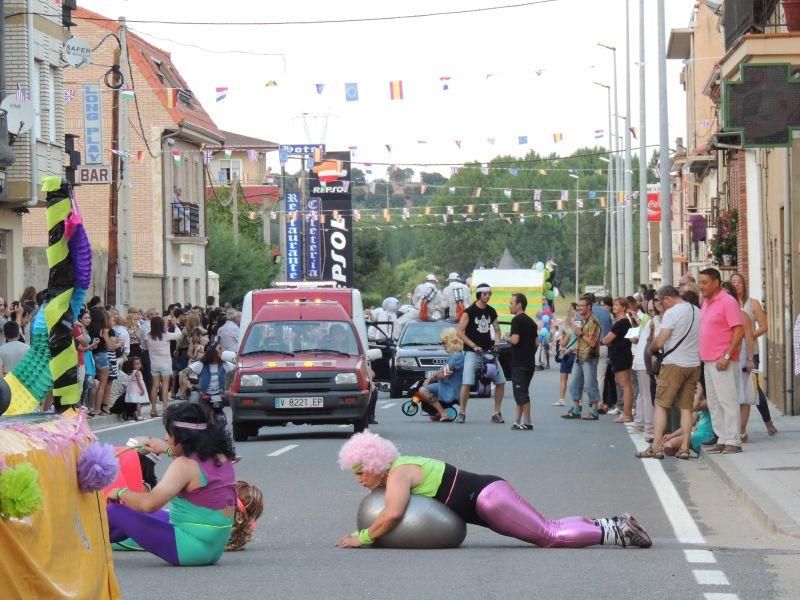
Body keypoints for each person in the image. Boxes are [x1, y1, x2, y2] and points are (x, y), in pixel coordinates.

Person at [335, 431, 651, 549]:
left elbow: (392, 515)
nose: (360, 480)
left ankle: (619, 533)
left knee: (549, 537)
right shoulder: (403, 464)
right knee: (549, 527)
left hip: (488, 500)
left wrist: (361, 538)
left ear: (376, 464)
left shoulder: (399, 474)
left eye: (362, 472)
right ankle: (610, 524)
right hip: (488, 494)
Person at [106, 403, 252, 566]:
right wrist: (165, 449)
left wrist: (120, 492)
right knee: (136, 517)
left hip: (189, 549)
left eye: (170, 433)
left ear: (183, 437)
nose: (166, 438)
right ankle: (100, 543)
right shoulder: (221, 457)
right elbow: (194, 466)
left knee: (114, 512)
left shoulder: (184, 465)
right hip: (213, 548)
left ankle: (91, 548)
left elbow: (148, 504)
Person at [636, 286, 701, 460]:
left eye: (661, 301)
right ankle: (685, 447)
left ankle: (656, 447)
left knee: (661, 405)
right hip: (693, 364)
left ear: (667, 298)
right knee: (686, 407)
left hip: (673, 364)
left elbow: (661, 341)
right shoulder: (696, 310)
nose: (661, 306)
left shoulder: (672, 313)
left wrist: (652, 348)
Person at [698, 269, 744, 454]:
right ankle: (722, 437)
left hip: (722, 360)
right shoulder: (707, 302)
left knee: (727, 401)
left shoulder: (727, 301)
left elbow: (739, 331)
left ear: (716, 282)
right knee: (714, 403)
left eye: (705, 282)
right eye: (700, 282)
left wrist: (726, 356)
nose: (701, 286)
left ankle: (734, 440)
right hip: (708, 360)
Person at [729, 272, 777, 436]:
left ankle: (768, 421)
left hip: (750, 351)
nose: (736, 285)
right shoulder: (727, 304)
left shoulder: (752, 304)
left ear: (744, 285)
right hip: (733, 352)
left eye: (739, 282)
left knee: (753, 388)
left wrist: (748, 336)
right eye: (733, 282)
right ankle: (738, 428)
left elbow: (764, 326)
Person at [455, 283, 506, 424]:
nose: (487, 296)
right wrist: (473, 345)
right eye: (484, 293)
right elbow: (459, 332)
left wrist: (496, 344)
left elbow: (497, 330)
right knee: (467, 382)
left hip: (488, 352)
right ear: (479, 294)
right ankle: (462, 412)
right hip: (472, 352)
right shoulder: (469, 311)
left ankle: (496, 412)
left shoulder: (491, 311)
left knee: (500, 381)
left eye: (489, 293)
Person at [561, 295, 602, 421]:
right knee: (574, 383)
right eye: (578, 306)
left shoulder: (593, 322)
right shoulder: (583, 321)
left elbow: (592, 342)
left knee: (590, 384)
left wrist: (580, 332)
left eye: (582, 306)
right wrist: (570, 349)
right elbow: (581, 341)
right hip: (579, 356)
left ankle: (594, 410)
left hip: (589, 357)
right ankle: (576, 409)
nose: (579, 308)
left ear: (589, 307)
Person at [414, 328, 465, 422]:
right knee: (433, 417)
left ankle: (443, 413)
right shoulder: (457, 355)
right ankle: (439, 412)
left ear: (451, 342)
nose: (443, 345)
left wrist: (431, 378)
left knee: (422, 390)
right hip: (450, 386)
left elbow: (444, 375)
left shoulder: (456, 357)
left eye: (444, 343)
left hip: (450, 388)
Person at [505, 293, 537, 430]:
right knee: (521, 392)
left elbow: (515, 340)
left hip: (519, 363)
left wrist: (506, 337)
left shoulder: (517, 320)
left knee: (521, 393)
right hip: (529, 363)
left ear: (519, 305)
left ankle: (528, 422)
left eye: (512, 303)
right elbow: (537, 343)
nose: (509, 305)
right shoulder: (532, 322)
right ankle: (517, 420)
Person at [602, 298, 635, 424]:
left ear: (623, 307)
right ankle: (626, 413)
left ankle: (627, 413)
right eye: (614, 305)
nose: (614, 307)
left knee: (625, 385)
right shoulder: (623, 322)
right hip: (620, 354)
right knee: (624, 385)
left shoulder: (621, 322)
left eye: (617, 305)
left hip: (621, 355)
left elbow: (607, 339)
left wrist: (607, 341)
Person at [147, 315, 183, 418]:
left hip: (154, 364)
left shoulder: (149, 336)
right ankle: (164, 408)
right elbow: (179, 335)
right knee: (165, 385)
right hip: (165, 363)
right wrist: (175, 324)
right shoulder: (165, 335)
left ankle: (153, 409)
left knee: (155, 386)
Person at [554, 307, 578, 407]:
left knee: (564, 378)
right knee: (577, 378)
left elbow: (564, 343)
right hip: (577, 353)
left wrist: (560, 340)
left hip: (567, 354)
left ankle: (561, 399)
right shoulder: (578, 329)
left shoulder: (566, 330)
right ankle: (578, 399)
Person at [124, 357, 149, 421]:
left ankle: (136, 414)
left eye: (139, 363)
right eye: (136, 364)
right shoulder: (137, 372)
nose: (138, 365)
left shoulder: (132, 372)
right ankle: (139, 416)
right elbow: (139, 382)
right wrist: (142, 389)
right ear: (132, 365)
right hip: (137, 389)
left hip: (133, 389)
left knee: (137, 403)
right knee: (139, 403)